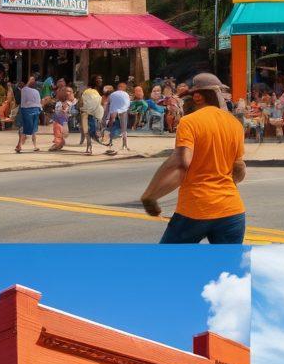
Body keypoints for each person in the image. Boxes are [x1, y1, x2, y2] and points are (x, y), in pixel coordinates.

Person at [141, 73, 247, 244]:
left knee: (165, 264)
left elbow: (181, 163)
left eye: (188, 97)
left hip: (195, 210)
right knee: (228, 269)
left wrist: (150, 195)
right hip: (232, 211)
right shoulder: (234, 123)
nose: (186, 103)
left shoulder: (189, 122)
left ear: (198, 96)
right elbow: (239, 169)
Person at [16, 76, 41, 153]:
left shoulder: (35, 91)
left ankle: (23, 145)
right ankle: (20, 145)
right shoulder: (24, 90)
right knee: (26, 129)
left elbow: (38, 102)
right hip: (27, 110)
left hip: (30, 110)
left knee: (31, 130)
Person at [106, 82, 132, 153]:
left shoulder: (113, 94)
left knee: (113, 126)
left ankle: (114, 142)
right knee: (123, 127)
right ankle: (124, 144)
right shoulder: (125, 94)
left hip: (115, 110)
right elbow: (128, 104)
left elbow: (108, 104)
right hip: (122, 110)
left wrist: (107, 116)